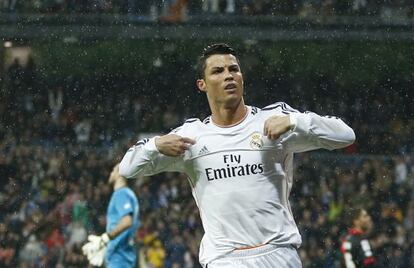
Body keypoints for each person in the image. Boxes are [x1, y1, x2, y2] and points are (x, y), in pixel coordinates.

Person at [119, 43, 355, 267]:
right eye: (218, 71)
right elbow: (127, 169)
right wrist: (156, 145)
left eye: (234, 69)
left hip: (278, 254)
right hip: (224, 258)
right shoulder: (191, 136)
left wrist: (295, 121)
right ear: (202, 84)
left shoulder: (273, 120)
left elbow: (345, 135)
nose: (228, 75)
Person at [82, 164, 140, 267]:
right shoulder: (129, 194)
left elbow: (127, 221)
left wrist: (105, 239)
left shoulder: (121, 194)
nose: (111, 173)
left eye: (113, 170)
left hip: (119, 259)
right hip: (122, 258)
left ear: (119, 173)